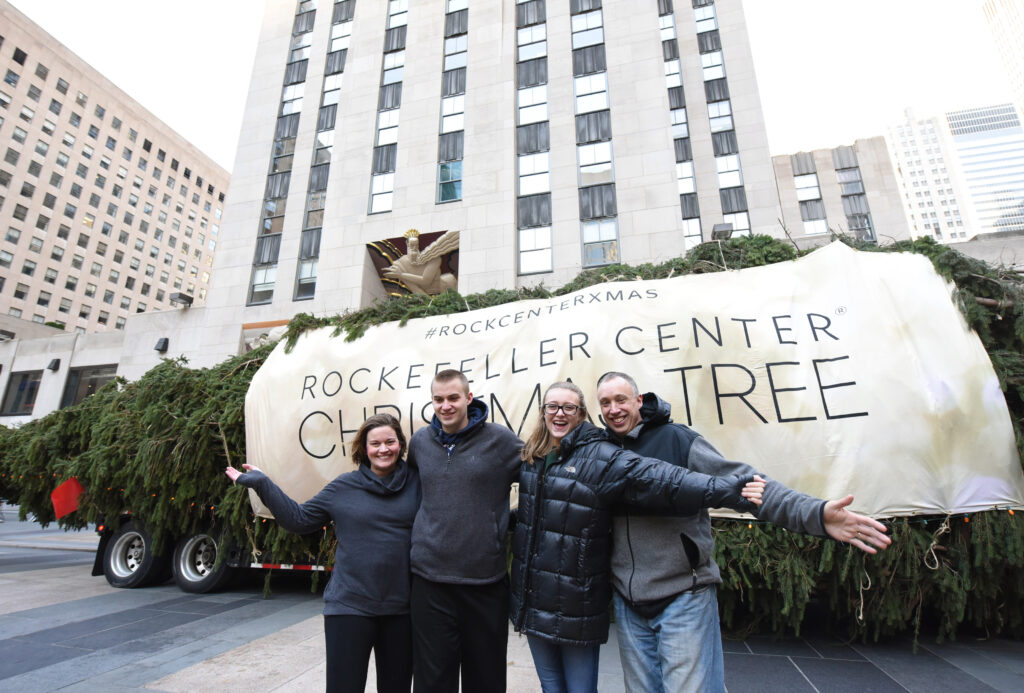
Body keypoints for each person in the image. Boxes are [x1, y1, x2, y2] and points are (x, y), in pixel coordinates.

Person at [595, 371, 892, 693]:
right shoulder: (602, 453)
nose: (614, 409)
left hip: (683, 593)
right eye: (605, 403)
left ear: (639, 401)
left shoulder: (677, 440)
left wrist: (815, 514)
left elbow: (747, 485)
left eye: (621, 400)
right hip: (629, 601)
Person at [509, 381, 766, 693]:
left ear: (581, 414)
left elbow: (669, 480)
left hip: (589, 602)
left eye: (569, 407)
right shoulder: (532, 459)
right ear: (543, 412)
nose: (560, 413)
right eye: (553, 406)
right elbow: (536, 514)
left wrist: (733, 490)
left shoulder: (605, 454)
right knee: (554, 687)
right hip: (542, 601)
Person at [225, 413, 420, 693]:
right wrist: (263, 484)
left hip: (401, 610)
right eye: (375, 443)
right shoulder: (343, 488)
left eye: (390, 441)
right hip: (349, 607)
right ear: (364, 449)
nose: (383, 449)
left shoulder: (418, 485)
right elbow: (299, 519)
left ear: (400, 444)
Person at [407, 369, 523, 693]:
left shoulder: (500, 441)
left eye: (453, 398)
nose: (445, 406)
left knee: (485, 680)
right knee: (432, 681)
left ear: (468, 399)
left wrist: (509, 520)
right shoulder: (419, 442)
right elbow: (412, 492)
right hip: (430, 583)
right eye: (438, 399)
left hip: (485, 583)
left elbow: (541, 478)